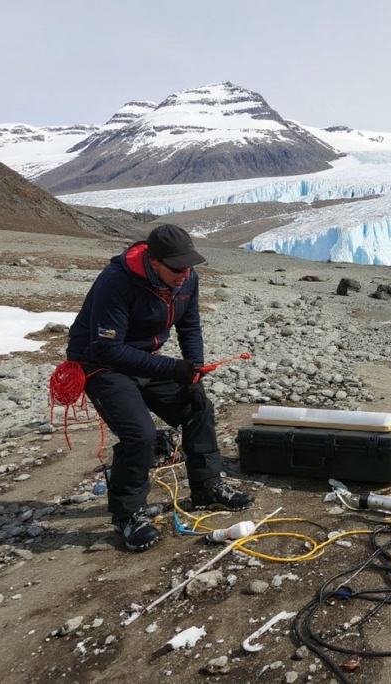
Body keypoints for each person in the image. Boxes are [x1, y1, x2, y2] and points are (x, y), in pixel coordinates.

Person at [66, 224, 253, 551]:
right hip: (101, 364)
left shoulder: (187, 279)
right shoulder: (117, 282)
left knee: (199, 408)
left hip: (142, 358)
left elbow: (189, 325)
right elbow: (106, 348)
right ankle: (127, 515)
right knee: (140, 434)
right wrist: (172, 368)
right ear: (154, 262)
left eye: (189, 266)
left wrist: (193, 371)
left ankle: (207, 489)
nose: (185, 274)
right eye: (177, 268)